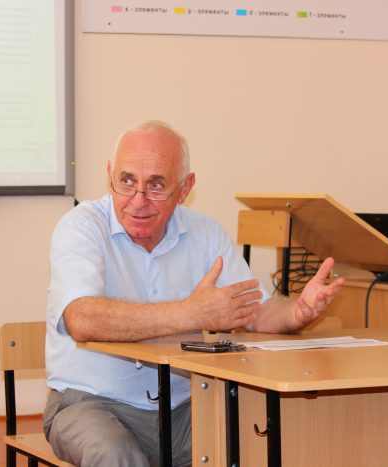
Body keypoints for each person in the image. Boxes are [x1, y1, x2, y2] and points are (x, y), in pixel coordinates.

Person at [43, 120, 344, 466]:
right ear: (110, 175)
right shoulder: (81, 226)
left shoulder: (205, 232)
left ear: (185, 188)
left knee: (256, 442)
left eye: (156, 186)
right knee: (114, 454)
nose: (138, 201)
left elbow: (254, 311)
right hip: (91, 403)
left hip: (183, 407)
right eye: (126, 182)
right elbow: (82, 319)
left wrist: (298, 312)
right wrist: (193, 313)